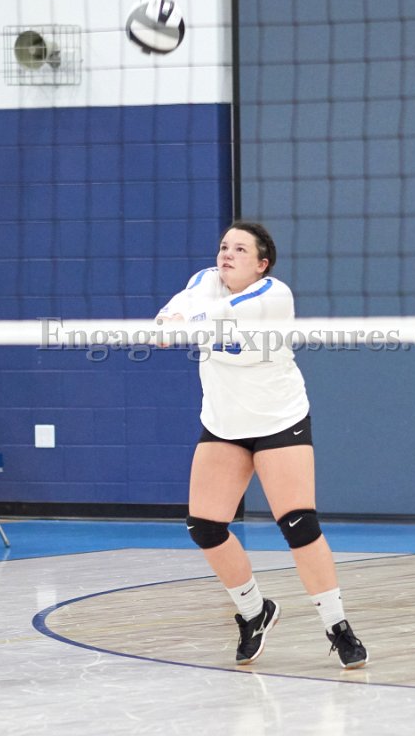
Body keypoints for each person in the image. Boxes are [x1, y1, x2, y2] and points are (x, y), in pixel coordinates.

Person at [157, 220, 368, 670]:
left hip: (278, 421)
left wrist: (184, 321)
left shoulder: (274, 295)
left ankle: (336, 625)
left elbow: (217, 316)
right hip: (224, 424)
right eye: (223, 246)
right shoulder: (204, 282)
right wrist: (169, 321)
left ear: (262, 264)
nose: (227, 254)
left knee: (298, 524)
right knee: (204, 527)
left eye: (239, 249)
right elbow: (170, 316)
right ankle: (255, 612)